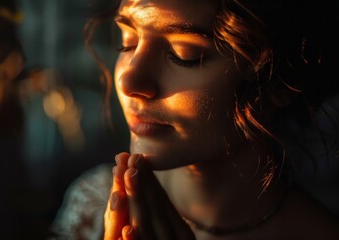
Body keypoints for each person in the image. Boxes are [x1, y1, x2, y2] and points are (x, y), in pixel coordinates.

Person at [51, 0, 339, 239]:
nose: (129, 80)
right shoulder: (94, 202)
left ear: (280, 82)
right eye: (129, 43)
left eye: (183, 55)